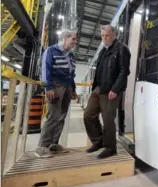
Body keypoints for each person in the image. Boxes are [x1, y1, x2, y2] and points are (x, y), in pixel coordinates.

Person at [84, 25, 131, 159]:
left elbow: (124, 71)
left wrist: (115, 89)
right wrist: (95, 87)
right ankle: (98, 141)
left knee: (108, 120)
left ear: (114, 35)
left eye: (107, 36)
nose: (105, 38)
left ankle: (110, 148)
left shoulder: (122, 49)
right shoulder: (103, 51)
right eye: (103, 36)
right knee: (88, 115)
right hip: (98, 89)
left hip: (110, 90)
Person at [36, 30, 78, 158]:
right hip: (55, 86)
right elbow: (45, 69)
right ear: (65, 38)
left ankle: (53, 145)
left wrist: (74, 90)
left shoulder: (71, 55)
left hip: (67, 87)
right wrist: (48, 87)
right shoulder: (51, 51)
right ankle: (42, 147)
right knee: (53, 116)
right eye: (73, 39)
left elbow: (71, 75)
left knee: (61, 117)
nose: (75, 42)